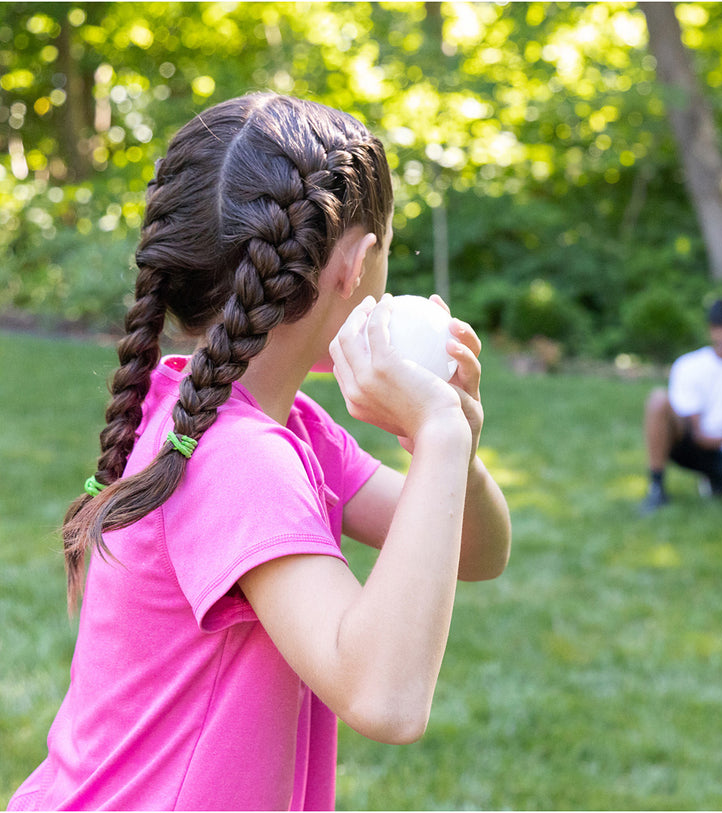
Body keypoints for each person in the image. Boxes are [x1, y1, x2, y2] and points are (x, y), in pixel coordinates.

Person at [7, 93, 511, 811]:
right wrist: (438, 436)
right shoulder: (240, 459)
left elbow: (474, 553)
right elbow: (385, 694)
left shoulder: (251, 423)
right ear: (357, 264)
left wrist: (453, 443)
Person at [640, 297, 722, 514]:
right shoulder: (689, 366)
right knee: (658, 399)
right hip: (689, 446)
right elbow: (698, 435)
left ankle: (719, 483)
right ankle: (656, 486)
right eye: (721, 328)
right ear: (711, 330)